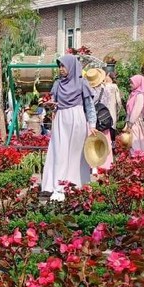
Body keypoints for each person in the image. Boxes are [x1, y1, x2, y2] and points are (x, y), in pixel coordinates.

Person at [41, 54, 98, 202]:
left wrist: (92, 125)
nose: (61, 69)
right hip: (61, 120)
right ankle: (56, 186)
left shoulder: (82, 83)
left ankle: (75, 186)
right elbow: (54, 106)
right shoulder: (57, 84)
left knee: (75, 153)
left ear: (71, 66)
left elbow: (89, 107)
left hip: (77, 120)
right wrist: (51, 106)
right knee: (59, 152)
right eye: (59, 66)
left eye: (63, 66)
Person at [86, 68, 113, 171]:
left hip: (91, 121)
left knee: (91, 143)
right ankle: (105, 166)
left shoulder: (88, 91)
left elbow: (88, 107)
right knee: (104, 142)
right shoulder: (106, 89)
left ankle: (92, 165)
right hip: (103, 119)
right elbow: (108, 104)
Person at [125, 75, 144, 158]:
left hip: (135, 123)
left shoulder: (139, 96)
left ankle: (138, 160)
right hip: (131, 123)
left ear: (137, 83)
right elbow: (129, 112)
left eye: (132, 83)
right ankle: (140, 159)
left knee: (135, 142)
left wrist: (130, 124)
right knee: (136, 142)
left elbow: (136, 111)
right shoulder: (133, 94)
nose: (130, 85)